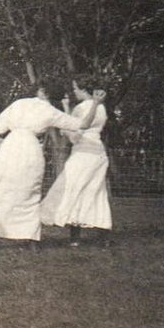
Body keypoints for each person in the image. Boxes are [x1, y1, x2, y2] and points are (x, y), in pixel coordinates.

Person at [0, 81, 82, 249]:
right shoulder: (50, 111)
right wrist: (95, 104)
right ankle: (32, 239)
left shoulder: (18, 103)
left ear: (40, 91)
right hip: (30, 149)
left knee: (1, 188)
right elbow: (79, 124)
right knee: (29, 191)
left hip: (10, 147)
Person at [41, 80, 112, 246]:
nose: (74, 92)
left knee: (72, 189)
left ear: (83, 90)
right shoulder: (101, 107)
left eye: (75, 88)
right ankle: (104, 236)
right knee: (95, 192)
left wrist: (64, 122)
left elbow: (73, 135)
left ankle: (75, 238)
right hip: (98, 153)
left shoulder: (81, 108)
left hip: (83, 152)